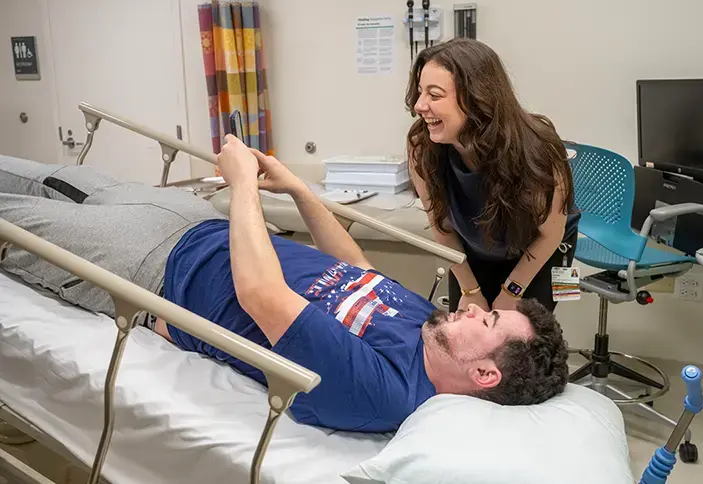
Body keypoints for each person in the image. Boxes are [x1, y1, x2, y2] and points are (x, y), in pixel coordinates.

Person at [0, 143, 569, 433]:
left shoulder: (387, 391)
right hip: (190, 220)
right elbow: (357, 269)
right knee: (24, 171)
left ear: (485, 374)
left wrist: (243, 183)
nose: (473, 309)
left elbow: (261, 297)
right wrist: (297, 189)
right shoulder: (433, 329)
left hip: (151, 265)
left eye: (487, 323)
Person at [405, 38, 581, 314]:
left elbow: (551, 233)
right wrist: (470, 291)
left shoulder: (538, 147)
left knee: (522, 341)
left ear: (476, 98)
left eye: (434, 95)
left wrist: (512, 291)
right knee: (468, 332)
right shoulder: (422, 146)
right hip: (473, 250)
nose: (419, 105)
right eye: (420, 92)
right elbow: (441, 225)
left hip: (542, 249)